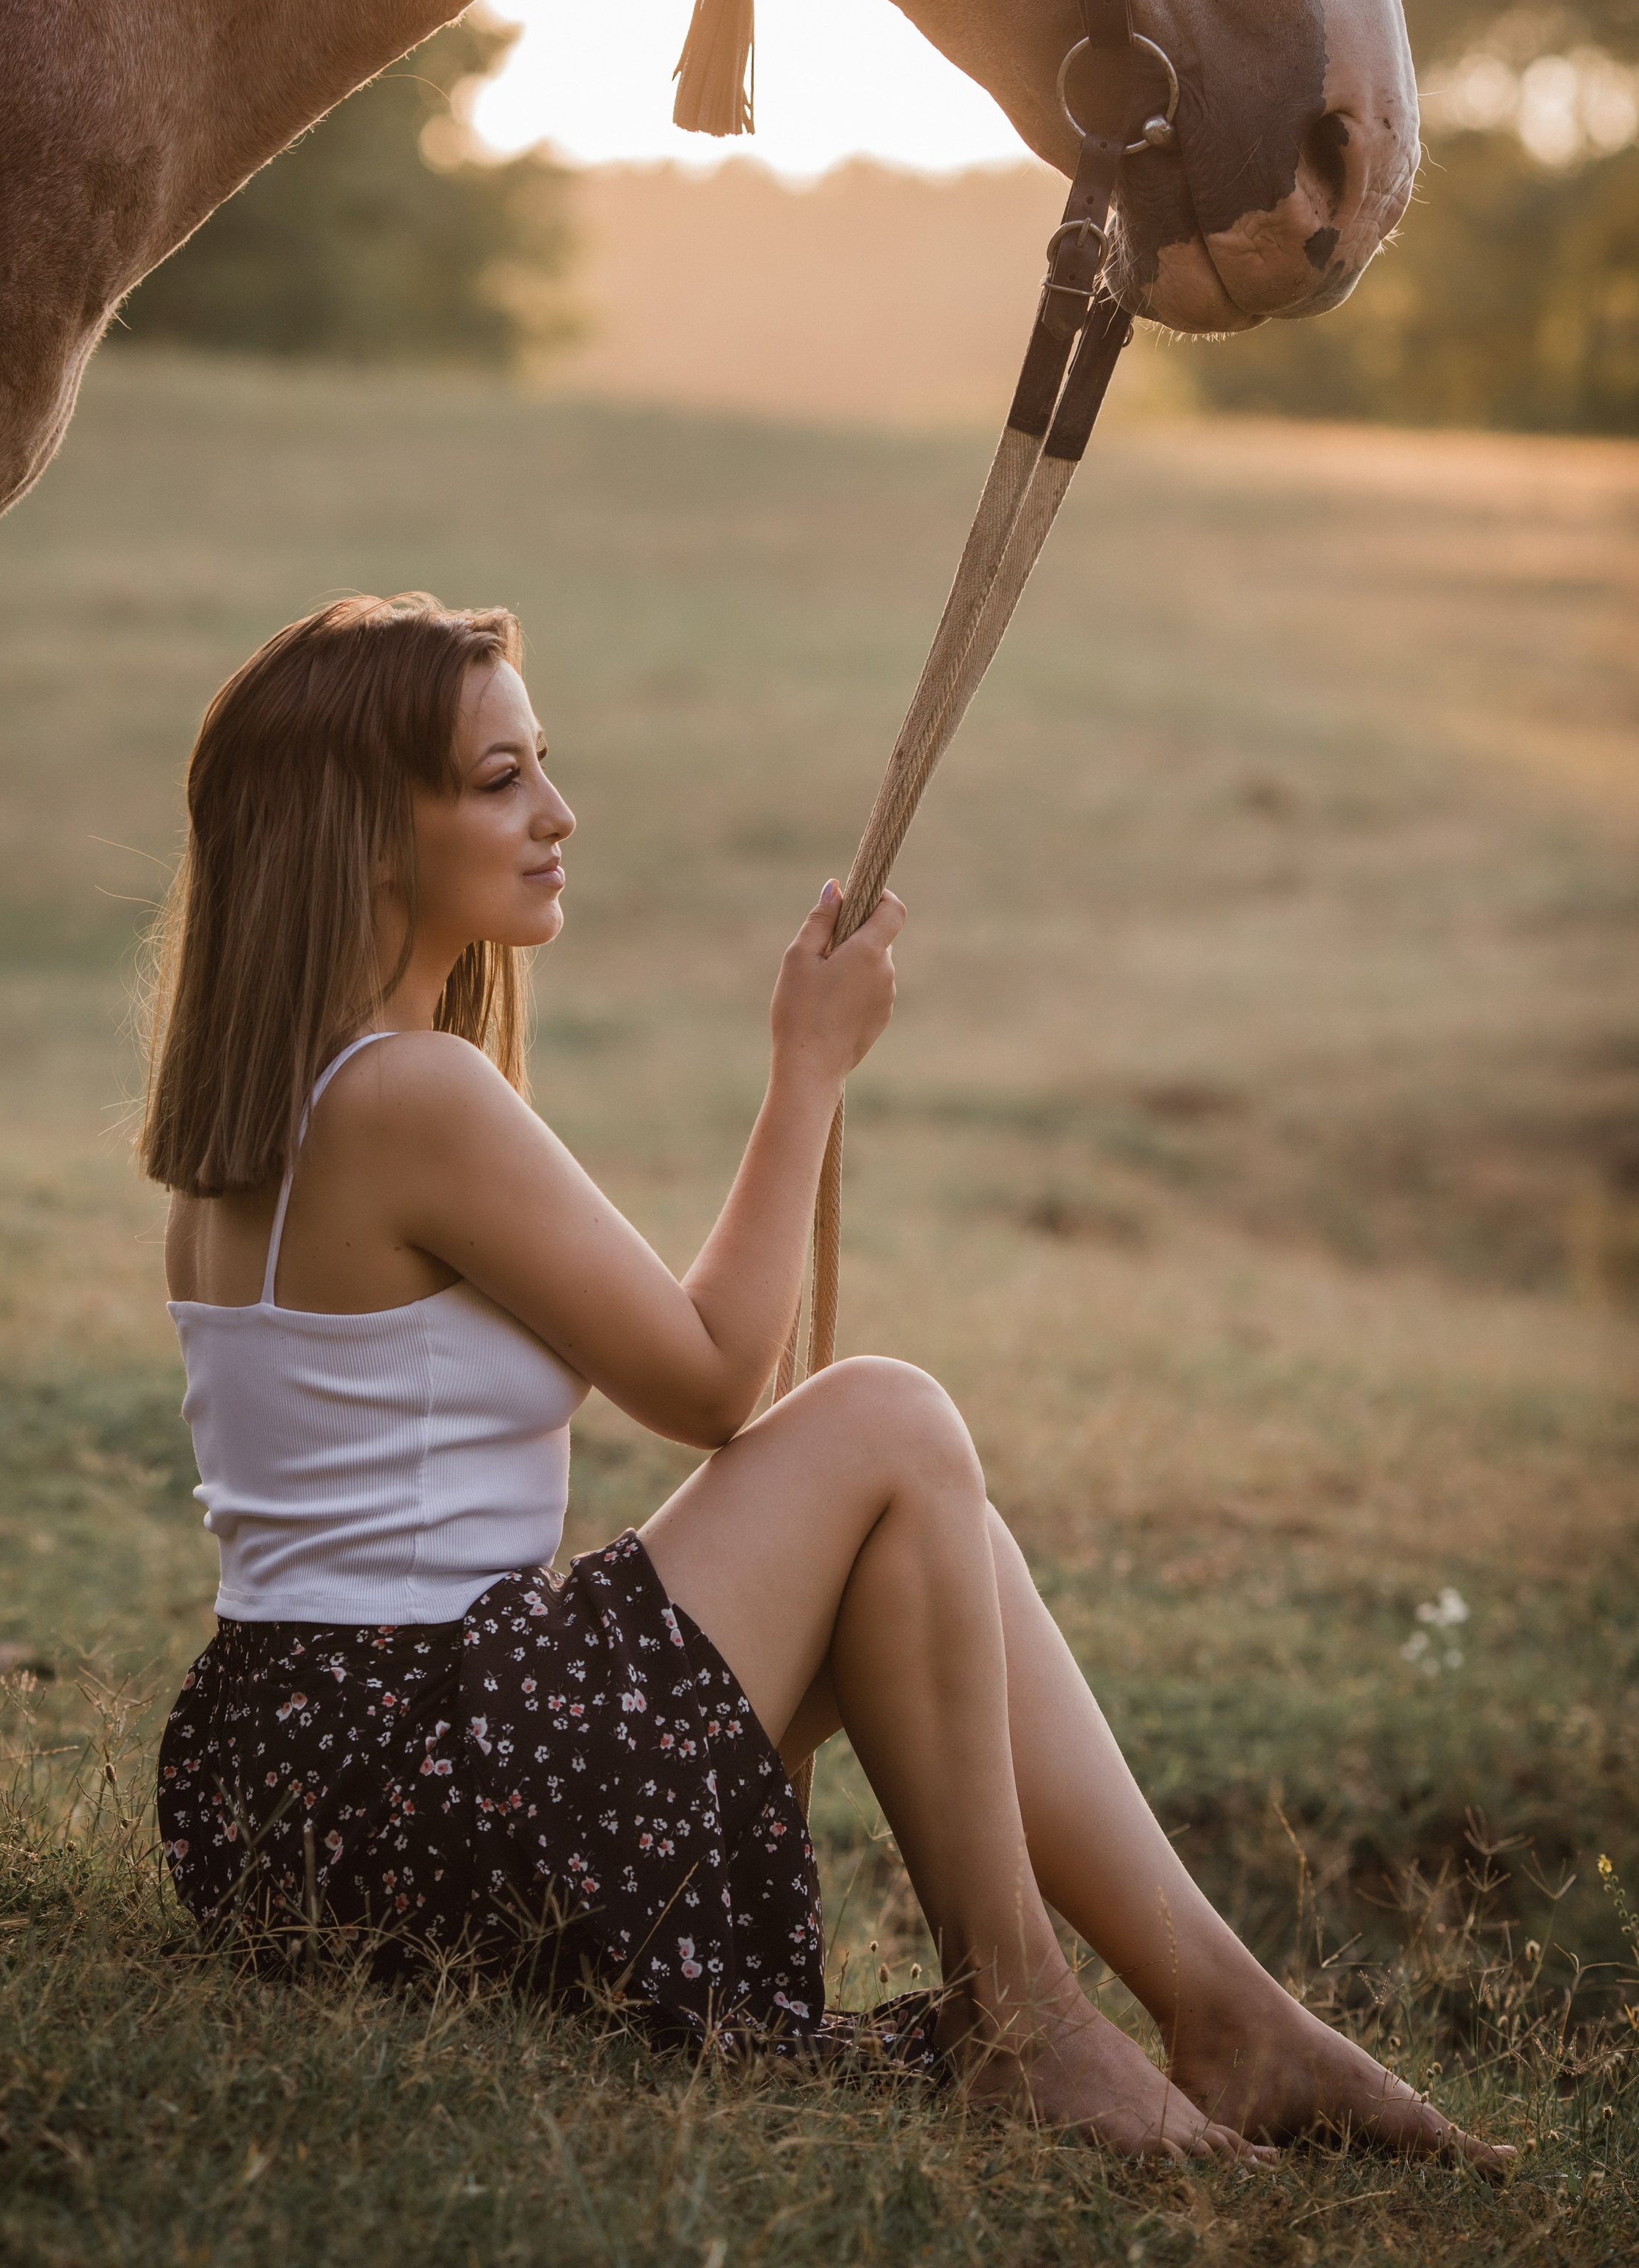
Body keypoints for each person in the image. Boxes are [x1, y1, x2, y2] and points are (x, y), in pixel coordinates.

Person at [143, 592, 1509, 2168]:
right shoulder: (407, 1091)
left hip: (291, 1789)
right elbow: (724, 1384)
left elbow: (705, 1379)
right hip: (418, 1774)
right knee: (888, 1416)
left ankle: (1227, 2018)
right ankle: (1026, 2022)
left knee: (943, 1540)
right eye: (499, 777)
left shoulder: (278, 1110)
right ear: (368, 833)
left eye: (541, 766)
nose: (556, 812)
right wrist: (804, 1071)